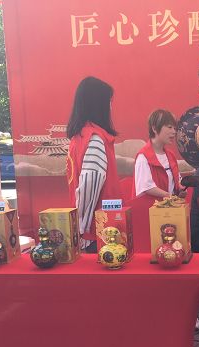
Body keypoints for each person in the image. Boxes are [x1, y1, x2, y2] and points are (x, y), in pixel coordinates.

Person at [66, 76, 122, 253]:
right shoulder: (95, 139)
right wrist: (81, 229)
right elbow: (88, 186)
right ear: (98, 104)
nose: (110, 107)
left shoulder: (81, 137)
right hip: (97, 232)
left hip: (92, 229)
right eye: (109, 102)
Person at [133, 109, 184, 199]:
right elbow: (146, 187)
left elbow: (177, 181)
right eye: (169, 127)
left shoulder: (171, 155)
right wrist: (170, 196)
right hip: (151, 207)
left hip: (169, 206)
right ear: (155, 129)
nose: (174, 132)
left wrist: (180, 189)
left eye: (175, 128)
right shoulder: (143, 157)